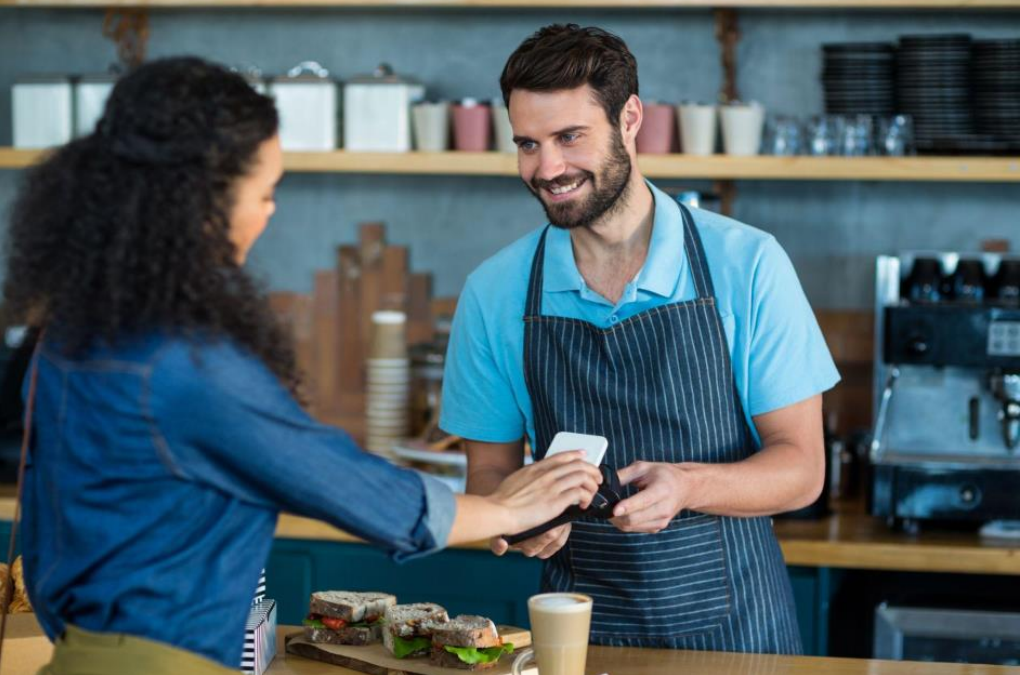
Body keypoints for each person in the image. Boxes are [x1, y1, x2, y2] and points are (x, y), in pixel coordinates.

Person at [1, 57, 601, 674]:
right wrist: (507, 509)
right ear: (201, 203)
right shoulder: (184, 364)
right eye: (263, 192)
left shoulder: (72, 333)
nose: (269, 213)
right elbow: (341, 483)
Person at [440, 25, 840, 654]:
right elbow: (489, 472)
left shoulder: (747, 264)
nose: (548, 169)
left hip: (739, 633)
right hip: (575, 631)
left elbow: (802, 469)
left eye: (570, 137)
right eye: (527, 144)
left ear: (630, 119)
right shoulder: (494, 292)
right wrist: (516, 517)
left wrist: (690, 487)